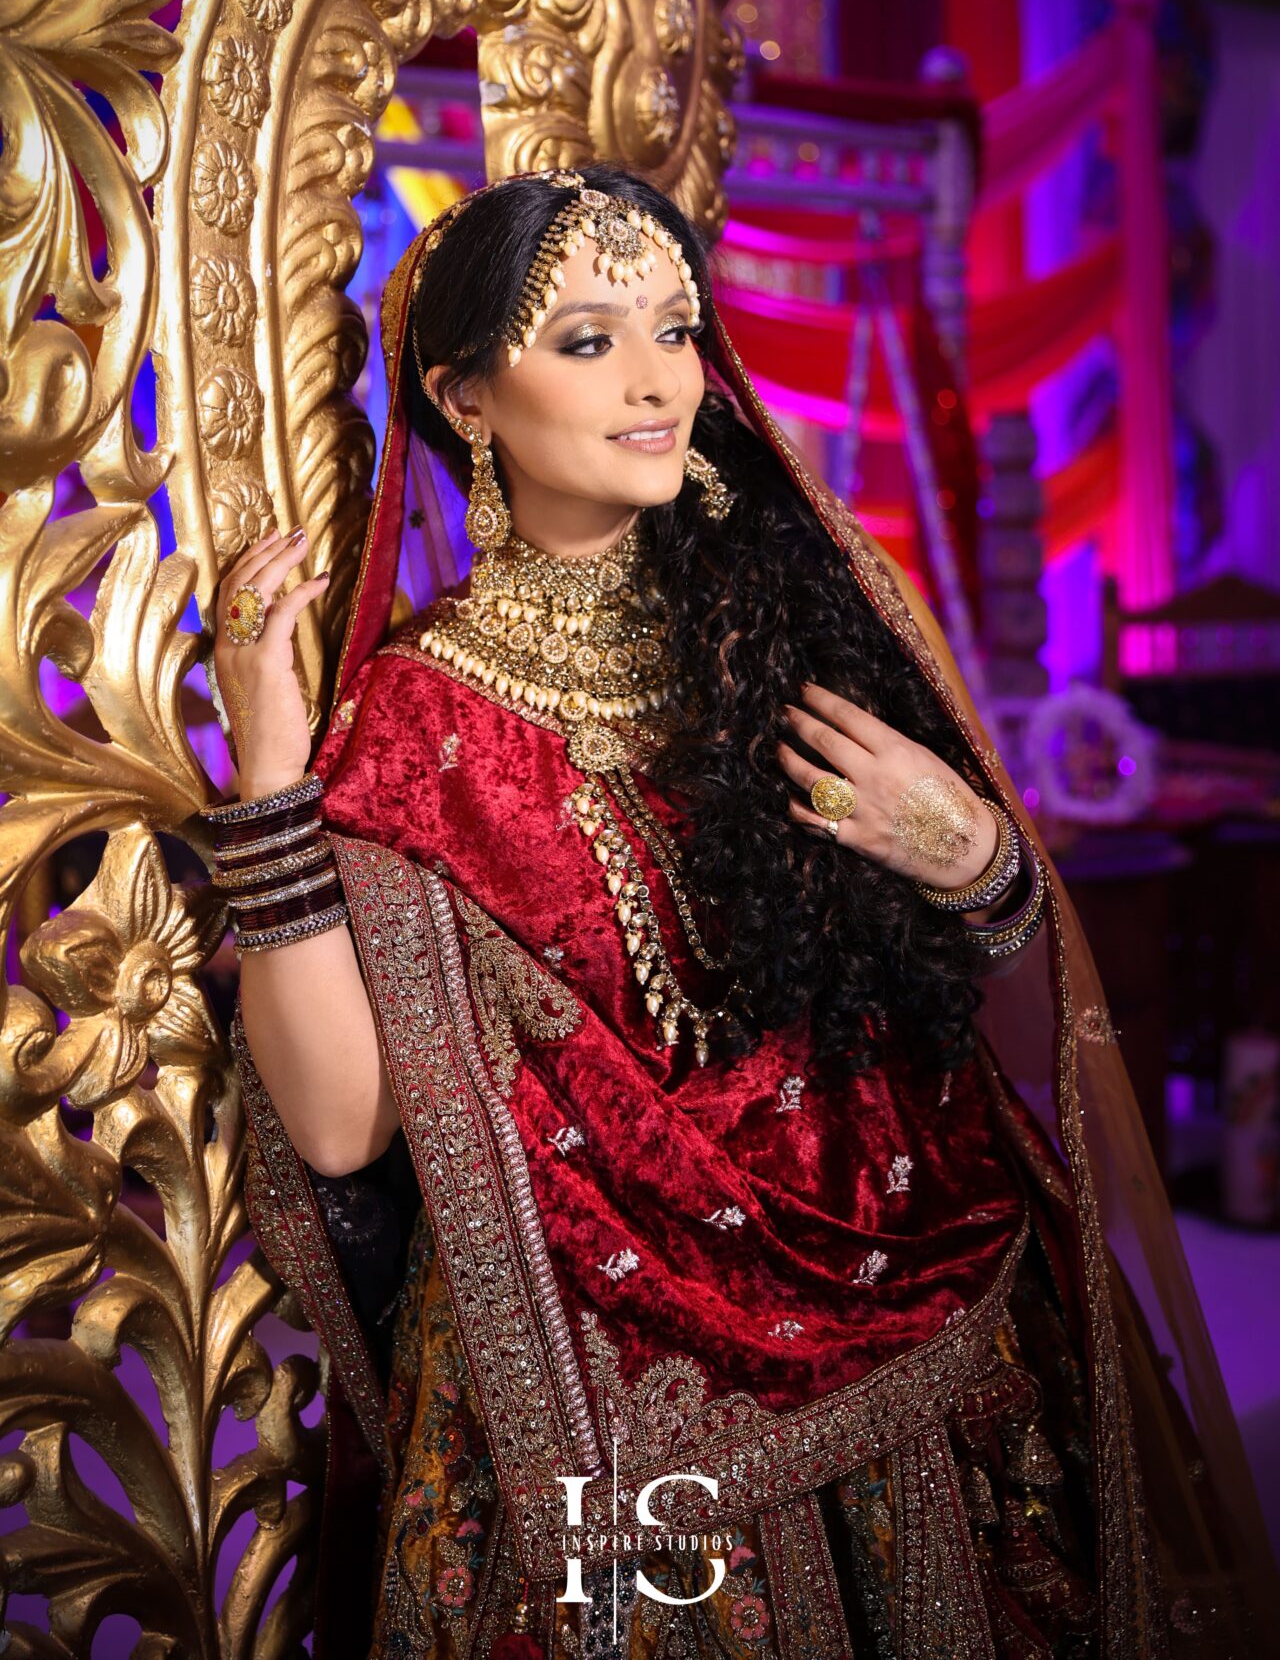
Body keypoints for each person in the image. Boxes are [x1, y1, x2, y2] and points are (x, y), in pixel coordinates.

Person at [205, 163, 1274, 1659]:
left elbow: (1032, 1029)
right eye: (588, 339)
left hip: (942, 1306)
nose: (657, 384)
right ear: (464, 397)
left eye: (677, 328)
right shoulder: (417, 720)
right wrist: (267, 768)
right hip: (617, 1403)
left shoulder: (806, 616)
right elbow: (339, 1131)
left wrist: (970, 853)